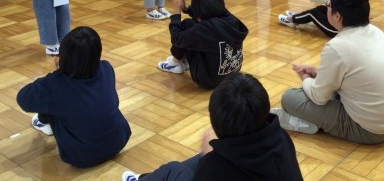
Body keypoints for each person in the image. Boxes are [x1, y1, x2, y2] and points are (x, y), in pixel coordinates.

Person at [272, 0, 384, 144]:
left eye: (328, 5)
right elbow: (355, 74)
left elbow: (319, 97)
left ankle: (308, 122)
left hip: (371, 131)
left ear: (337, 16)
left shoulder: (337, 46)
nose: (327, 8)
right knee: (324, 90)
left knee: (289, 97)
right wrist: (318, 74)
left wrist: (305, 78)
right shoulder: (375, 31)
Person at [122, 73, 303, 181]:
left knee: (174, 169)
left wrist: (208, 157)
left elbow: (211, 172)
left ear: (216, 123)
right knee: (197, 158)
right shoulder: (281, 137)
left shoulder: (216, 168)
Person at [16, 26, 131, 168]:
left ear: (64, 55)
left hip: (81, 156)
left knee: (49, 98)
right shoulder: (107, 67)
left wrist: (58, 73)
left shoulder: (55, 84)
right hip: (119, 141)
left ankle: (43, 122)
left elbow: (23, 99)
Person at [157, 0, 249, 89]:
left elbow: (177, 39)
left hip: (207, 80)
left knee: (187, 25)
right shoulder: (231, 19)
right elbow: (207, 14)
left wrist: (176, 13)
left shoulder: (204, 30)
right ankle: (182, 61)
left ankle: (175, 63)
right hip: (232, 75)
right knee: (190, 24)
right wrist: (187, 8)